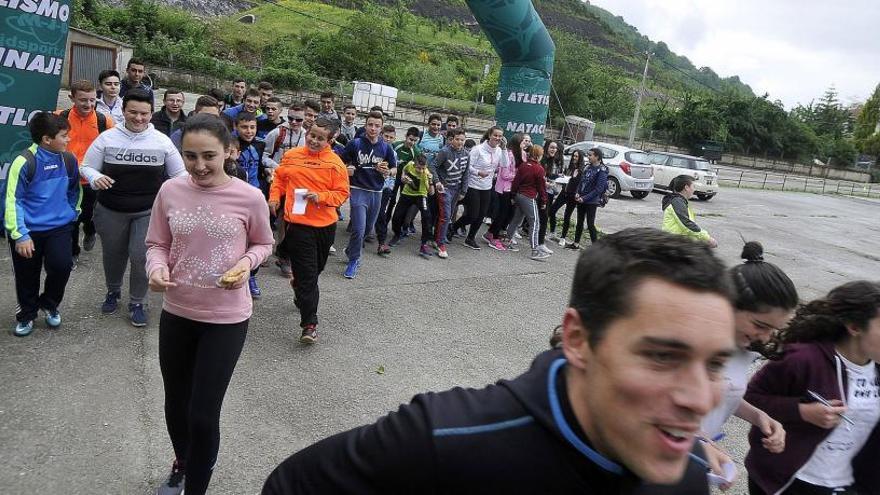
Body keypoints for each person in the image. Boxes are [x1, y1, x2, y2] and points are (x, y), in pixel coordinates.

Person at [262, 227, 737, 494]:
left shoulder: (689, 477)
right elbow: (290, 485)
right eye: (660, 356)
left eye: (715, 364)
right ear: (576, 338)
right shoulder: (445, 437)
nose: (699, 400)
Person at [146, 114, 274, 495]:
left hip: (226, 318)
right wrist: (155, 269)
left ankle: (196, 485)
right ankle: (183, 463)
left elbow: (264, 243)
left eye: (208, 156)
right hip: (178, 312)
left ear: (229, 151)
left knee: (202, 415)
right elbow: (158, 243)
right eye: (190, 156)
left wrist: (246, 263)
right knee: (176, 405)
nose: (199, 166)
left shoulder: (249, 197)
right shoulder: (170, 191)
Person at [744, 281, 880, 495]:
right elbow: (750, 398)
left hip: (849, 485)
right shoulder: (804, 359)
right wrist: (802, 411)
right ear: (854, 327)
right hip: (791, 482)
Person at [691, 241, 798, 490]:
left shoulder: (743, 349)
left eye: (774, 329)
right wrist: (696, 441)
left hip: (697, 456)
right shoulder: (690, 348)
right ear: (728, 304)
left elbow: (724, 393)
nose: (766, 337)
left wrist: (758, 416)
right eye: (761, 326)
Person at [79, 89, 187, 327]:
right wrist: (95, 177)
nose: (139, 118)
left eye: (144, 113)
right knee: (114, 254)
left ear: (151, 113)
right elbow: (86, 166)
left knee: (140, 257)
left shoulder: (162, 141)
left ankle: (138, 302)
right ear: (123, 111)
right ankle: (113, 291)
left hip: (148, 211)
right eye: (133, 112)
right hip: (110, 209)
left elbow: (180, 175)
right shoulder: (107, 138)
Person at [269, 117, 349, 343]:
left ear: (330, 140)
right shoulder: (292, 156)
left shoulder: (335, 164)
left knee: (316, 271)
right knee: (309, 278)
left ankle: (298, 286)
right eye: (311, 135)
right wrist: (274, 198)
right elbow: (280, 179)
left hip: (325, 226)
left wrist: (321, 197)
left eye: (320, 138)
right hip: (298, 225)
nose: (313, 140)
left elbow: (342, 194)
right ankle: (309, 324)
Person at [4, 112, 80, 337]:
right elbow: (12, 200)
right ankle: (27, 314)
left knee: (62, 266)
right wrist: (20, 235)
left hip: (59, 228)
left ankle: (49, 303)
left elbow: (75, 190)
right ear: (47, 139)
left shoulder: (68, 159)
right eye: (64, 136)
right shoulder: (24, 162)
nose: (68, 140)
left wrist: (71, 212)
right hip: (28, 231)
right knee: (27, 275)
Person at [58, 80, 114, 265]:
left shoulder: (104, 121)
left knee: (89, 215)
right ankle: (72, 251)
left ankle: (90, 231)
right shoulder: (59, 118)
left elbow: (112, 149)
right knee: (70, 218)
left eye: (92, 100)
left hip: (92, 181)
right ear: (71, 97)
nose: (88, 105)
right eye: (83, 100)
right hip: (67, 179)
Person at [340, 110, 396, 279]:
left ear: (381, 128)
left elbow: (394, 169)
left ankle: (351, 250)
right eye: (370, 125)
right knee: (358, 228)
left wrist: (387, 172)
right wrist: (346, 169)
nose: (373, 128)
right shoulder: (355, 144)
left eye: (377, 126)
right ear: (365, 126)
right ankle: (354, 260)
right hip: (358, 189)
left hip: (376, 192)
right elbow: (340, 162)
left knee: (367, 229)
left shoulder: (386, 147)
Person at [450, 126, 503, 250]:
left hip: (487, 186)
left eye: (500, 136)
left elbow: (504, 165)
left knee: (481, 215)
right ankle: (452, 227)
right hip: (473, 185)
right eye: (495, 135)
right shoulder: (477, 149)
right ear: (489, 135)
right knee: (472, 215)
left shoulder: (500, 150)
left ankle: (470, 238)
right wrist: (478, 172)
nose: (497, 138)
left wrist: (504, 149)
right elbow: (468, 167)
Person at [504, 144, 550, 261]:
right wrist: (544, 200)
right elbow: (542, 187)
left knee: (516, 219)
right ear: (539, 155)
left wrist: (513, 195)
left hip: (519, 195)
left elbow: (515, 182)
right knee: (535, 222)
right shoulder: (539, 169)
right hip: (529, 197)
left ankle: (507, 240)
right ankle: (535, 250)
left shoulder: (523, 165)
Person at [431, 128, 469, 259]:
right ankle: (440, 243)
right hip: (444, 188)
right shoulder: (445, 152)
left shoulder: (466, 154)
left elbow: (466, 173)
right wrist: (436, 182)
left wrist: (464, 190)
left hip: (456, 189)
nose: (459, 142)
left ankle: (437, 237)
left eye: (462, 140)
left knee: (447, 215)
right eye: (457, 139)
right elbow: (433, 166)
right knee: (446, 216)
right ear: (452, 139)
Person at [389, 154, 434, 257]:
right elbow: (404, 171)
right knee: (396, 216)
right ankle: (397, 234)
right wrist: (403, 178)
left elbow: (431, 193)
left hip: (421, 195)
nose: (421, 170)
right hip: (407, 194)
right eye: (419, 168)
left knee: (427, 217)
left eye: (423, 168)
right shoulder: (410, 164)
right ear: (414, 164)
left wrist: (431, 182)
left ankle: (424, 244)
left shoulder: (426, 174)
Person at [484, 132, 523, 250]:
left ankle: (490, 233)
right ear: (517, 143)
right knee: (502, 213)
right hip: (503, 189)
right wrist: (517, 176)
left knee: (508, 214)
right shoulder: (509, 154)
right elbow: (505, 174)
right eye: (524, 141)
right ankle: (494, 238)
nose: (526, 143)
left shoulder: (521, 155)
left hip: (512, 188)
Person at [661, 175, 718, 248]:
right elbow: (686, 224)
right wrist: (707, 238)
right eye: (693, 186)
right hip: (674, 244)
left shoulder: (681, 201)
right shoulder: (677, 202)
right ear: (686, 188)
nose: (694, 189)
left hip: (679, 242)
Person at [551, 149, 588, 249]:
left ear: (580, 158)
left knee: (567, 216)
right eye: (573, 156)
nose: (574, 158)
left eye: (576, 156)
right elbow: (566, 178)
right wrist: (563, 177)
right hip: (564, 193)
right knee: (552, 210)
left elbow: (579, 184)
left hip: (572, 196)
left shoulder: (581, 170)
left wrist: (574, 178)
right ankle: (552, 231)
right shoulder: (570, 167)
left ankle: (563, 237)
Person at [574, 147, 609, 247]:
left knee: (590, 224)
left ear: (597, 157)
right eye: (588, 155)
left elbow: (598, 189)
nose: (588, 157)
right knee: (579, 222)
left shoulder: (602, 170)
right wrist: (577, 192)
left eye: (590, 155)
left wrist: (584, 198)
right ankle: (576, 243)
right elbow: (581, 182)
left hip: (591, 201)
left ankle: (596, 247)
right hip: (581, 199)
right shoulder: (587, 167)